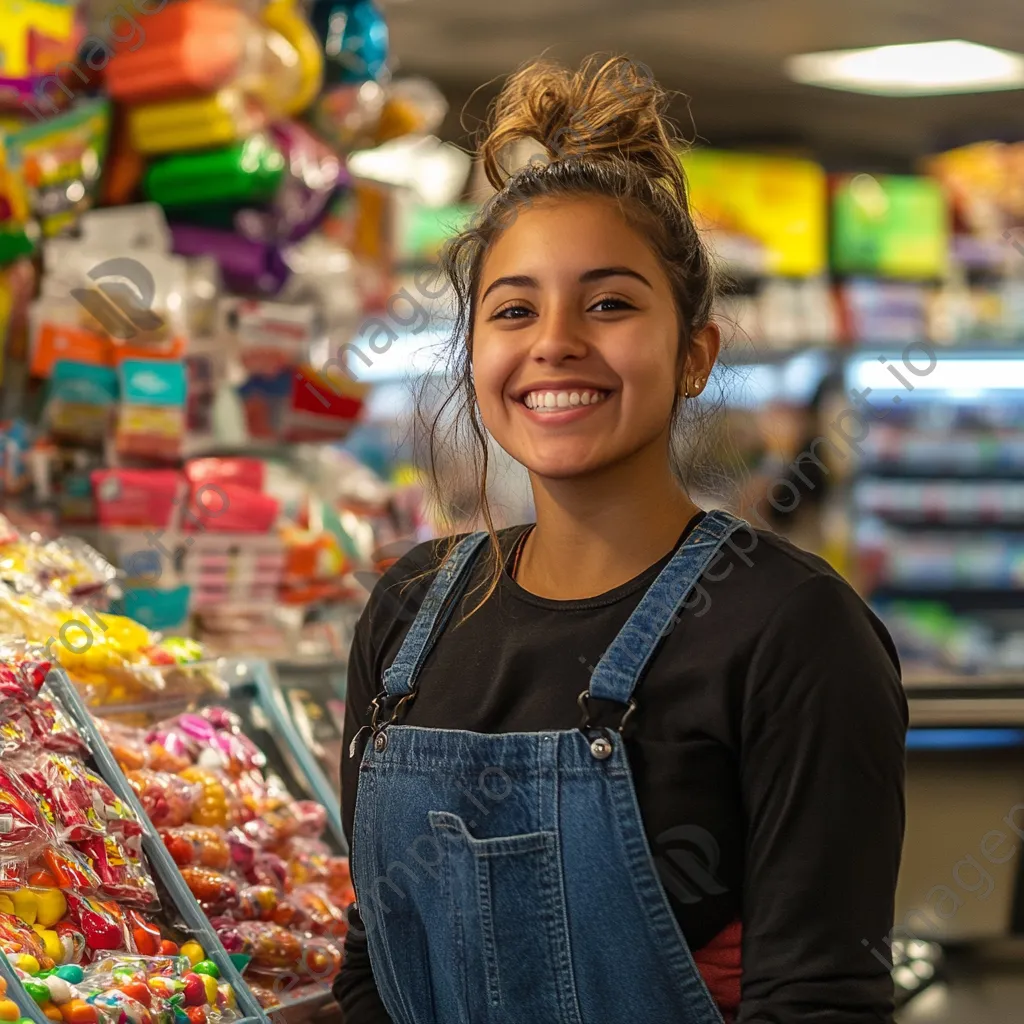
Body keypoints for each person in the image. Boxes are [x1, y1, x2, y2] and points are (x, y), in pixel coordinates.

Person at [336, 55, 908, 1024]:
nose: (555, 340)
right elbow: (374, 971)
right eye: (514, 308)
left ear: (694, 353)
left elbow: (820, 998)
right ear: (475, 351)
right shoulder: (409, 610)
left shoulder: (792, 631)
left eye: (608, 303)